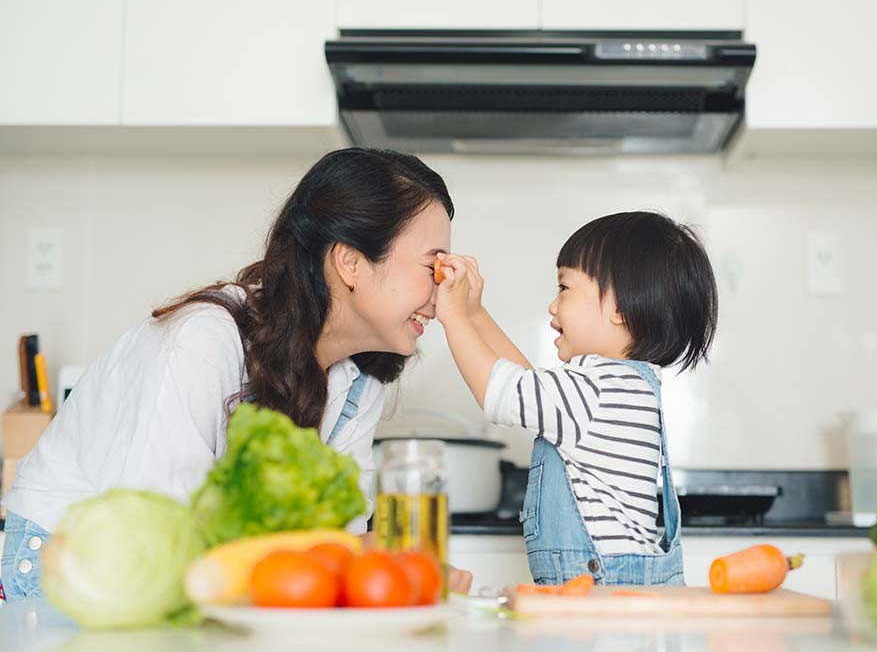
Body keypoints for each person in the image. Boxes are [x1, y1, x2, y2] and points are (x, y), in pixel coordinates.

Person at [1, 148, 472, 601]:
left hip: (194, 587)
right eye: (433, 266)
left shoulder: (358, 383)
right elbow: (160, 535)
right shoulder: (203, 339)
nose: (443, 291)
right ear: (350, 261)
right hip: (75, 581)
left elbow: (329, 548)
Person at [434, 211, 717, 585]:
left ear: (621, 309)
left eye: (564, 288)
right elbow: (530, 383)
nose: (553, 305)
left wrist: (453, 316)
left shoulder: (594, 391)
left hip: (600, 606)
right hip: (623, 601)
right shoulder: (624, 384)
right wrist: (476, 314)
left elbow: (501, 391)